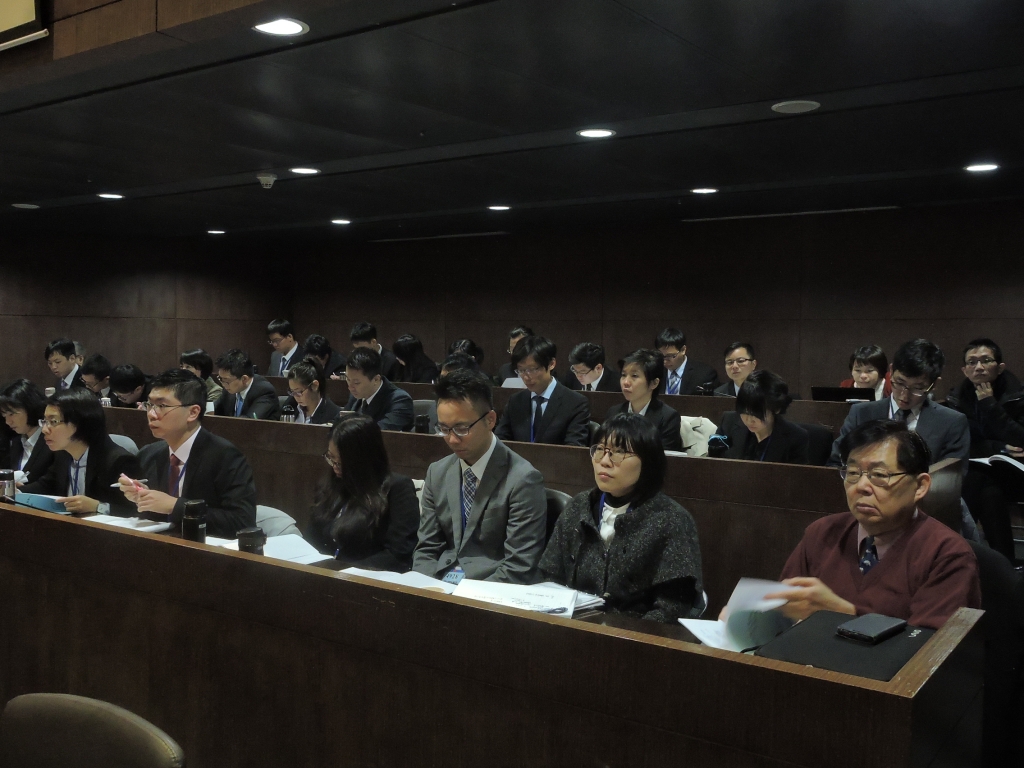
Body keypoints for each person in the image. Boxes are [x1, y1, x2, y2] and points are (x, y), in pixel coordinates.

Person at [768, 420, 981, 630]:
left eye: (879, 475)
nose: (861, 486)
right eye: (853, 473)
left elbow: (927, 647)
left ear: (919, 486)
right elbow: (782, 616)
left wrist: (842, 615)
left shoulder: (947, 555)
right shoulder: (823, 532)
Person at [540, 413, 703, 622]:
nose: (604, 461)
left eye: (619, 452)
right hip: (574, 627)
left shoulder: (671, 520)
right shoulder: (579, 506)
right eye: (599, 450)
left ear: (648, 461)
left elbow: (672, 609)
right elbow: (551, 578)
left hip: (635, 635)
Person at [413, 369, 547, 583]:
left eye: (462, 428)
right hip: (440, 585)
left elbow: (519, 566)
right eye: (444, 429)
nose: (452, 439)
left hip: (489, 589)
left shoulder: (523, 479)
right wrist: (425, 589)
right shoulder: (437, 472)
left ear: (490, 420)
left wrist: (463, 597)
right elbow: (427, 549)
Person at [119, 369, 257, 538]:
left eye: (161, 406)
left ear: (193, 412)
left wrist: (176, 506)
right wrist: (142, 498)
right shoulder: (149, 454)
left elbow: (242, 522)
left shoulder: (225, 456)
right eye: (149, 405)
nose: (151, 414)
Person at [828, 339, 969, 470]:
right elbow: (836, 462)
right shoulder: (860, 413)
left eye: (917, 388)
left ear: (935, 384)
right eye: (900, 383)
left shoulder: (951, 422)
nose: (904, 395)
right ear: (891, 371)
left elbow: (950, 478)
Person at [306, 415, 419, 570]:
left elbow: (398, 555)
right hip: (324, 573)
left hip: (366, 577)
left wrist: (344, 570)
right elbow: (312, 537)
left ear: (363, 459)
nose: (335, 467)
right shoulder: (332, 484)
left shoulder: (397, 489)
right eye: (331, 458)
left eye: (341, 463)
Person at [947, 338, 1024, 562]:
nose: (978, 367)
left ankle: (956, 555)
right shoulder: (956, 399)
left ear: (1000, 367)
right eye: (972, 362)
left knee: (977, 484)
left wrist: (989, 404)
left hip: (1015, 473)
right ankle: (1004, 564)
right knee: (988, 492)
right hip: (982, 474)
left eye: (986, 360)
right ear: (964, 370)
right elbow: (962, 442)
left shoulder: (1018, 396)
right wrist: (997, 447)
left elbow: (1020, 439)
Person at [22, 388, 140, 517]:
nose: (44, 429)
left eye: (53, 422)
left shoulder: (119, 461)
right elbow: (46, 485)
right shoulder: (63, 453)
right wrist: (14, 492)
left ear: (80, 423)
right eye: (44, 421)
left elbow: (135, 511)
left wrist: (98, 507)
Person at [494, 336, 589, 446]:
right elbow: (500, 442)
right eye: (521, 370)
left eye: (533, 369)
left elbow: (574, 448)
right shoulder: (515, 401)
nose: (526, 377)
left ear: (551, 364)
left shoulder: (575, 403)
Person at [713, 370, 809, 463]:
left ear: (776, 409)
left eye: (756, 414)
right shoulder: (728, 422)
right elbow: (714, 464)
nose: (749, 420)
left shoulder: (796, 438)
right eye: (744, 412)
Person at [604, 349, 682, 451]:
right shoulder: (614, 412)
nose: (626, 382)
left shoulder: (668, 417)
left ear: (654, 383)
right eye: (623, 375)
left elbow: (665, 457)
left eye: (634, 376)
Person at [343, 347, 414, 432]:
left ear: (376, 379)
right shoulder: (356, 394)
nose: (350, 387)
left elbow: (378, 432)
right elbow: (338, 422)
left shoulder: (399, 400)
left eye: (356, 382)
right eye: (348, 379)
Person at [0, 379, 54, 484]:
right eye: (4, 416)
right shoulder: (15, 441)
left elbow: (51, 483)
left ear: (30, 407)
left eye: (11, 414)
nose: (8, 421)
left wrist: (19, 489)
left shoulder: (51, 438)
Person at [213, 349, 280, 420]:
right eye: (220, 379)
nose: (223, 384)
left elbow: (249, 421)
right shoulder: (229, 389)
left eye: (226, 381)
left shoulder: (265, 392)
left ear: (244, 379)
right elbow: (214, 409)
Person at [655, 328, 720, 396]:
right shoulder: (655, 372)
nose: (665, 361)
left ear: (683, 350)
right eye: (661, 355)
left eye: (670, 356)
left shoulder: (705, 374)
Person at [285, 357, 341, 425]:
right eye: (292, 392)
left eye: (299, 392)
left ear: (314, 385)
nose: (295, 396)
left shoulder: (334, 415)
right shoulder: (290, 406)